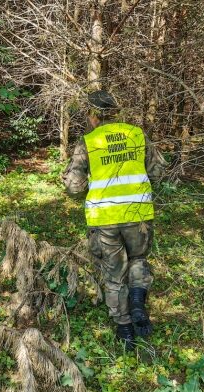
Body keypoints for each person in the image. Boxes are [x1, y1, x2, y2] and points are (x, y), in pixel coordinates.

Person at [61, 90, 167, 350]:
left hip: (105, 217)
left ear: (93, 115)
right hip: (138, 214)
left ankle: (125, 329)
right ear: (116, 112)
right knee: (138, 260)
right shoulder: (136, 135)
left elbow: (74, 187)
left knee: (114, 272)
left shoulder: (88, 142)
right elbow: (158, 171)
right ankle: (138, 304)